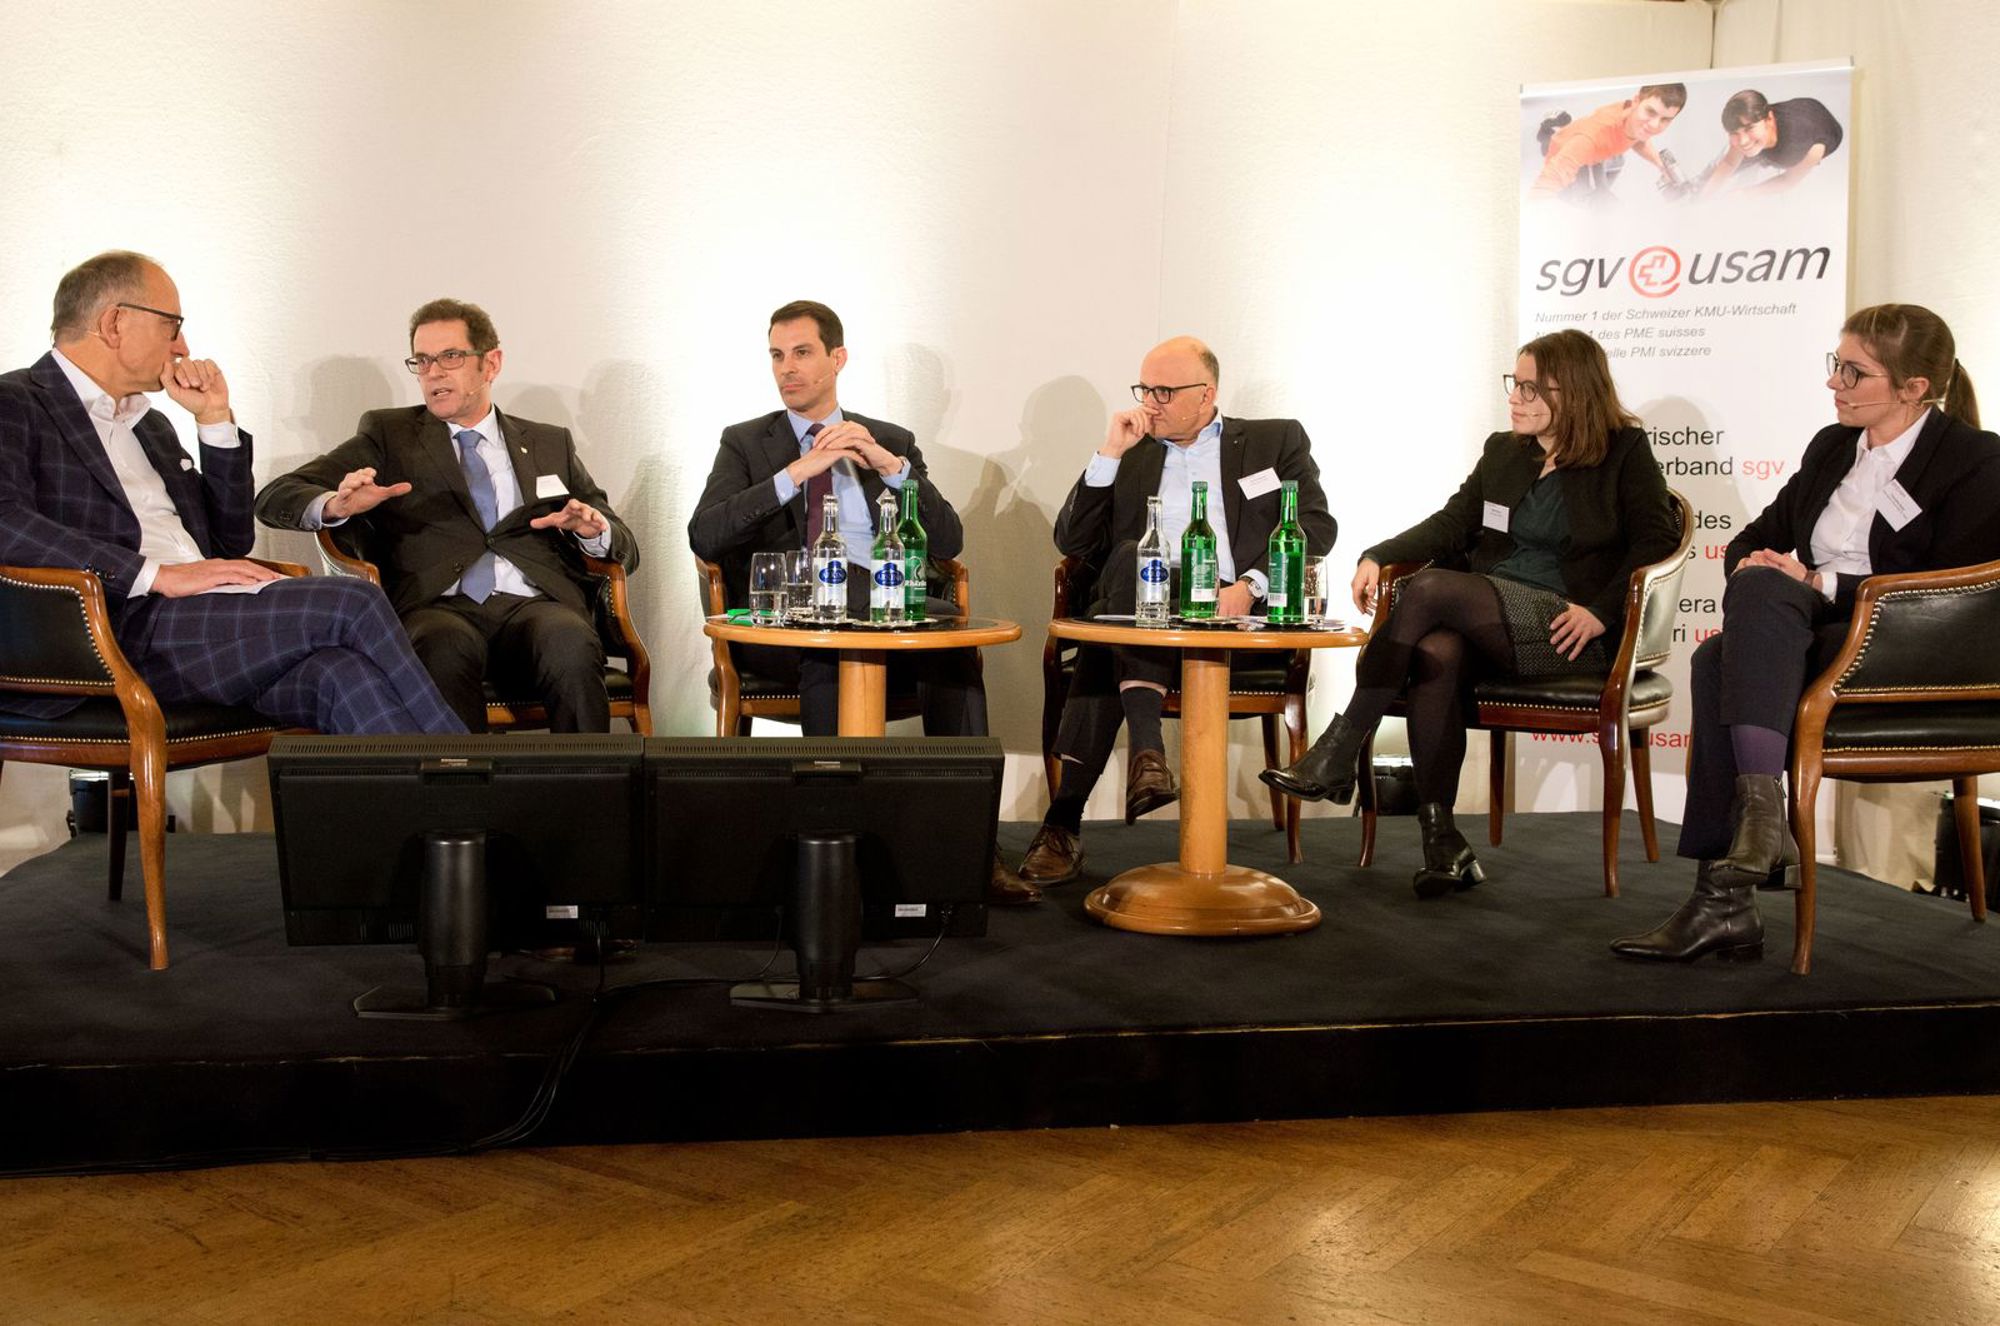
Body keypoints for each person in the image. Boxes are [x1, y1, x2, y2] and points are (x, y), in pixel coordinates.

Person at [1613, 305, 2000, 963]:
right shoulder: (1832, 447)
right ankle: (1754, 843)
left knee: (1727, 651)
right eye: (1835, 365)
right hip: (1807, 631)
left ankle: (1732, 887)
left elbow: (1954, 589)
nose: (1834, 383)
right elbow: (1753, 537)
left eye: (1855, 372)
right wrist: (1752, 566)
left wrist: (1820, 583)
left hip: (1905, 646)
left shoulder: (1973, 459)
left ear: (1913, 388)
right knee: (1728, 639)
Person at [1264, 329, 1676, 897]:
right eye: (1515, 383)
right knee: (1436, 652)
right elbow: (1452, 522)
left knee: (1430, 589)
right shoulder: (1505, 451)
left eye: (1532, 388)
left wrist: (1602, 612)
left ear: (1575, 391)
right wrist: (1377, 554)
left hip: (1568, 627)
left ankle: (1341, 747)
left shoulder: (1623, 451)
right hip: (1491, 616)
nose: (1515, 398)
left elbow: (1656, 541)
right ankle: (1444, 841)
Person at [0, 251, 462, 736]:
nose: (183, 346)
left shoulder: (151, 427)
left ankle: (441, 788)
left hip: (202, 625)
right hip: (111, 630)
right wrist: (157, 575)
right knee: (355, 600)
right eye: (172, 325)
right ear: (115, 323)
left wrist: (214, 420)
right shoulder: (16, 401)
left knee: (342, 676)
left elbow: (231, 540)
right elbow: (5, 521)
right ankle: (467, 765)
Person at [687, 300, 1037, 905]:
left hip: (892, 616)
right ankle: (834, 853)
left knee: (953, 658)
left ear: (837, 358)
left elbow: (947, 541)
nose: (787, 368)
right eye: (777, 355)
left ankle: (974, 853)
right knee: (836, 646)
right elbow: (706, 535)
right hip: (793, 630)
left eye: (802, 353)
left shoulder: (890, 440)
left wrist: (890, 466)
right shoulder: (746, 442)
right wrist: (798, 472)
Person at [1016, 336, 1335, 887]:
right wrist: (1109, 454)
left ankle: (1065, 822)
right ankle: (1146, 756)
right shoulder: (1134, 452)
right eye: (1144, 389)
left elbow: (1316, 526)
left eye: (1164, 391)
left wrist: (1251, 586)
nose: (1149, 403)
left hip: (1234, 613)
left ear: (1206, 393)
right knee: (1132, 561)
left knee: (1104, 646)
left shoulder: (1272, 440)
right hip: (1144, 605)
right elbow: (1073, 540)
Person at [256, 299, 639, 733]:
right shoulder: (390, 436)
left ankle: (586, 778)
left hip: (534, 607)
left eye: (450, 356)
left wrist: (594, 531)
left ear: (491, 363)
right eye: (422, 361)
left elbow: (625, 545)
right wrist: (335, 506)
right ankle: (460, 779)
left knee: (569, 639)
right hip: (437, 607)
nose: (433, 372)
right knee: (441, 646)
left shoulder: (549, 443)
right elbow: (276, 497)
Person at [1530, 83, 1687, 200]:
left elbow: (1638, 139)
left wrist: (1660, 165)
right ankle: (1547, 129)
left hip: (1591, 147)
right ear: (1636, 101)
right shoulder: (1592, 138)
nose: (1654, 125)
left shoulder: (1634, 119)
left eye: (1665, 119)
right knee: (1578, 195)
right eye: (1650, 112)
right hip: (1565, 151)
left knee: (1617, 161)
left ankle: (1564, 126)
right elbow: (1542, 189)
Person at [1699, 89, 1844, 197]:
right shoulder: (1749, 124)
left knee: (1759, 171)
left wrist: (1744, 194)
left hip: (1820, 133)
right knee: (1724, 163)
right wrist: (1705, 196)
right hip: (1797, 112)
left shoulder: (1803, 144)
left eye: (1749, 128)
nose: (1743, 140)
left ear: (1769, 119)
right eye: (1734, 132)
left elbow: (1787, 181)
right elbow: (1729, 162)